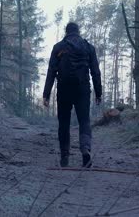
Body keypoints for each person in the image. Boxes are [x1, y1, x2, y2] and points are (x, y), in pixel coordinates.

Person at [43, 22, 102, 168]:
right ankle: (85, 149)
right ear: (78, 31)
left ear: (66, 32)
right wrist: (98, 93)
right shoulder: (88, 47)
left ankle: (64, 156)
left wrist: (46, 94)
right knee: (84, 121)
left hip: (64, 88)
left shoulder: (58, 47)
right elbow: (95, 72)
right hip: (82, 89)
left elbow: (51, 71)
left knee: (64, 122)